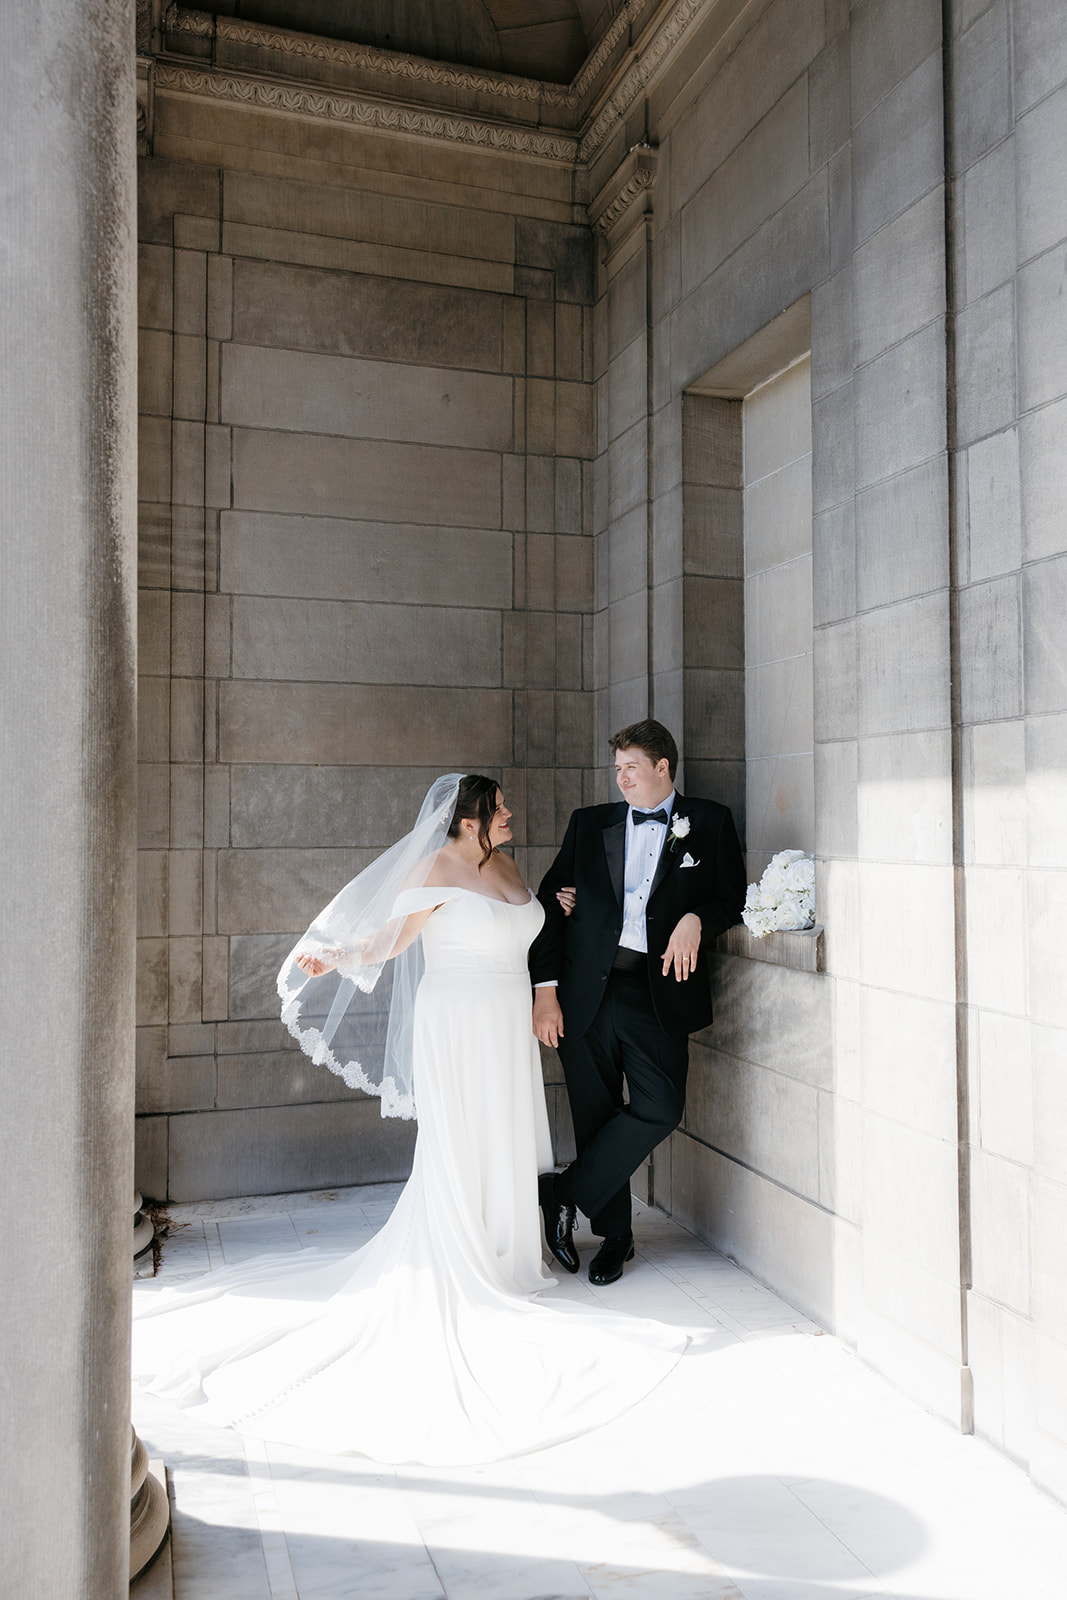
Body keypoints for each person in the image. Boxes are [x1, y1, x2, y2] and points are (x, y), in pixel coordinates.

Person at [132, 773, 687, 1466]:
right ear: (465, 821)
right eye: (499, 809)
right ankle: (464, 1257)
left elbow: (533, 927)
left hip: (504, 1020)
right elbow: (388, 944)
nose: (510, 813)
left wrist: (564, 914)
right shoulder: (433, 867)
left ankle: (507, 1246)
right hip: (454, 1019)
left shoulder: (505, 865)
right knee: (460, 1141)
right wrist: (334, 956)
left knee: (503, 1137)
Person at [531, 721, 746, 1287]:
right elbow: (548, 906)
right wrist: (545, 992)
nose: (622, 779)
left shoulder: (710, 821)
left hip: (658, 993)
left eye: (631, 768)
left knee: (660, 1107)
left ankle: (563, 1191)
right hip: (587, 993)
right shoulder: (589, 824)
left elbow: (732, 896)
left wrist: (697, 919)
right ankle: (615, 1240)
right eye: (618, 770)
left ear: (662, 768)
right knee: (595, 1115)